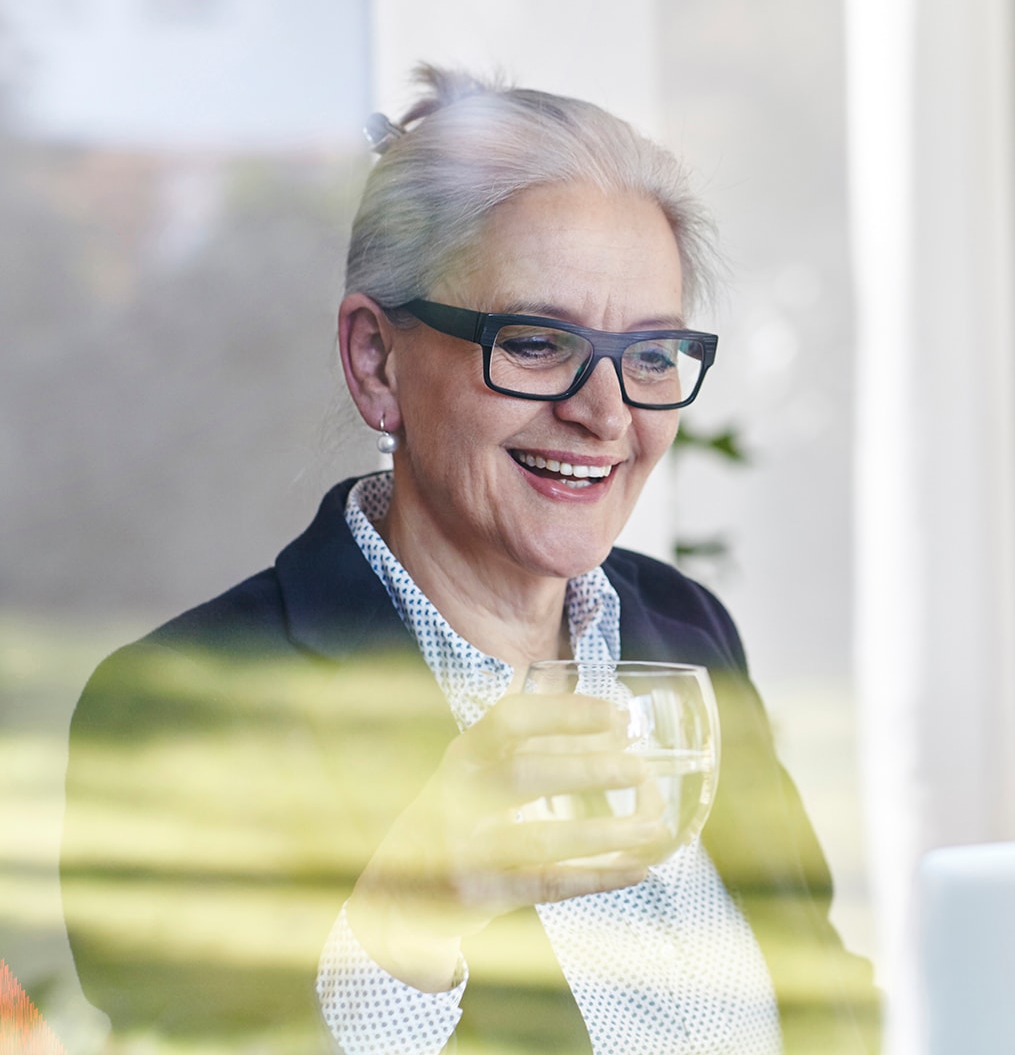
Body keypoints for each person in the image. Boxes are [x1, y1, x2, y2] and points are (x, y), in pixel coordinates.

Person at [61, 66, 880, 1054]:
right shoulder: (185, 705)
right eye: (536, 341)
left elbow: (820, 994)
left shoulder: (686, 629)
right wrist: (413, 909)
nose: (607, 412)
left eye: (652, 355)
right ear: (377, 361)